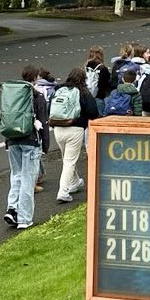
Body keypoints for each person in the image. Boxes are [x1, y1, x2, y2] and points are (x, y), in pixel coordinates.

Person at [4, 67, 48, 227]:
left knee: (16, 176)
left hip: (12, 139)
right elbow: (43, 122)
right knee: (28, 179)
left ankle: (12, 208)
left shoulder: (12, 94)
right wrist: (46, 145)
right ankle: (24, 218)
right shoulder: (37, 96)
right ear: (36, 78)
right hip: (30, 140)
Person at [51, 67, 97, 204]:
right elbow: (93, 112)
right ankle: (63, 192)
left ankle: (75, 182)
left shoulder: (59, 90)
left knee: (68, 158)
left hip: (58, 128)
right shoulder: (83, 92)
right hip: (75, 129)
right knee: (69, 161)